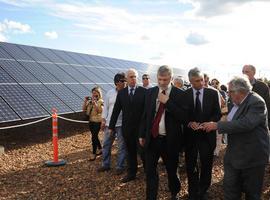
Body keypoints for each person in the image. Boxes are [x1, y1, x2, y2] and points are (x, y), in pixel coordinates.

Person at [202, 76, 270, 200]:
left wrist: (217, 125)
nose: (228, 94)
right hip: (234, 155)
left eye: (230, 91)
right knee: (230, 189)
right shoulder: (233, 102)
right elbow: (228, 117)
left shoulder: (256, 102)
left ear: (240, 92)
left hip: (252, 157)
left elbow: (246, 123)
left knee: (252, 193)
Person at [139, 65, 186, 200]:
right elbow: (145, 115)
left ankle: (174, 192)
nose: (162, 83)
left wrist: (168, 102)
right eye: (159, 79)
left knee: (171, 170)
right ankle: (151, 196)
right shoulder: (150, 92)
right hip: (152, 138)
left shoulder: (179, 94)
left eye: (165, 80)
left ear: (171, 78)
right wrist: (142, 134)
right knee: (150, 171)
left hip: (170, 141)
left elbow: (184, 117)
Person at [184, 68, 221, 200]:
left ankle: (204, 190)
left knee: (206, 163)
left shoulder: (212, 93)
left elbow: (218, 113)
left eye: (201, 80)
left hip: (207, 135)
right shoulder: (185, 94)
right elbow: (183, 114)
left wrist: (210, 123)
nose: (201, 83)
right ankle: (193, 191)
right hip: (191, 136)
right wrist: (189, 122)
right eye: (197, 81)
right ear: (190, 81)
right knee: (191, 164)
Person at [109, 68, 146, 183]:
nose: (133, 79)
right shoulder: (122, 93)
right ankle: (132, 173)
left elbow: (147, 112)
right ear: (126, 79)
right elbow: (116, 111)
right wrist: (111, 127)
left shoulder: (144, 92)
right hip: (127, 129)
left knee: (143, 152)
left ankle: (148, 172)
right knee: (130, 153)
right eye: (131, 77)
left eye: (135, 76)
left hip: (140, 129)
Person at [97, 73, 127, 175]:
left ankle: (120, 166)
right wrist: (103, 120)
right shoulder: (110, 93)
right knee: (106, 145)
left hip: (121, 125)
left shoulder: (127, 93)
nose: (125, 82)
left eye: (125, 81)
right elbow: (106, 108)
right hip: (109, 124)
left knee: (121, 146)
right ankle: (106, 164)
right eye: (123, 81)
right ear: (116, 82)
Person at [82, 86, 104, 161]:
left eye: (96, 93)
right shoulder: (90, 101)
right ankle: (101, 149)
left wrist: (95, 104)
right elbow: (83, 109)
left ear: (99, 93)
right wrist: (85, 101)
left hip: (97, 122)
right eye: (93, 93)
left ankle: (94, 153)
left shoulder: (101, 101)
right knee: (94, 136)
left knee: (93, 137)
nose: (94, 94)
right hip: (91, 121)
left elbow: (100, 111)